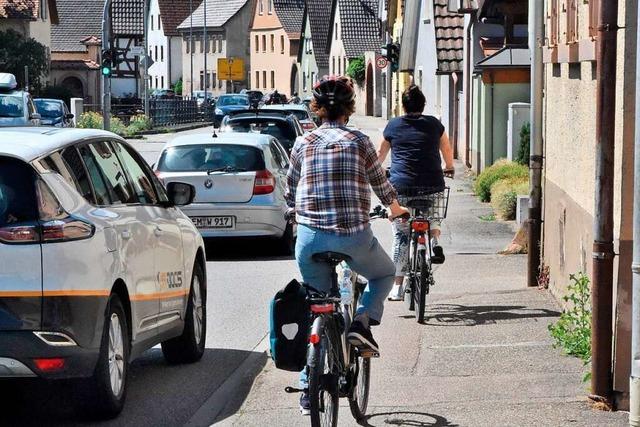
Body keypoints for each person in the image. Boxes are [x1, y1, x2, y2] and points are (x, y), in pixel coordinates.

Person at [285, 75, 409, 414]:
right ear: (349, 110)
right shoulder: (360, 141)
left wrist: (295, 212)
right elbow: (382, 187)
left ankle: (309, 389)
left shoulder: (303, 143)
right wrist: (397, 210)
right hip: (354, 237)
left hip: (310, 240)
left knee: (317, 304)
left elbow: (290, 190)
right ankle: (362, 323)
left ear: (317, 110)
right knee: (384, 274)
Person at [378, 85, 455, 301]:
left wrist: (375, 172)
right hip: (432, 183)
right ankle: (433, 242)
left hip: (401, 186)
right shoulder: (434, 125)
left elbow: (379, 154)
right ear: (423, 105)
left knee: (401, 235)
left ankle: (397, 287)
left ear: (403, 106)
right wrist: (449, 166)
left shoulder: (393, 126)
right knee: (433, 216)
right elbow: (447, 150)